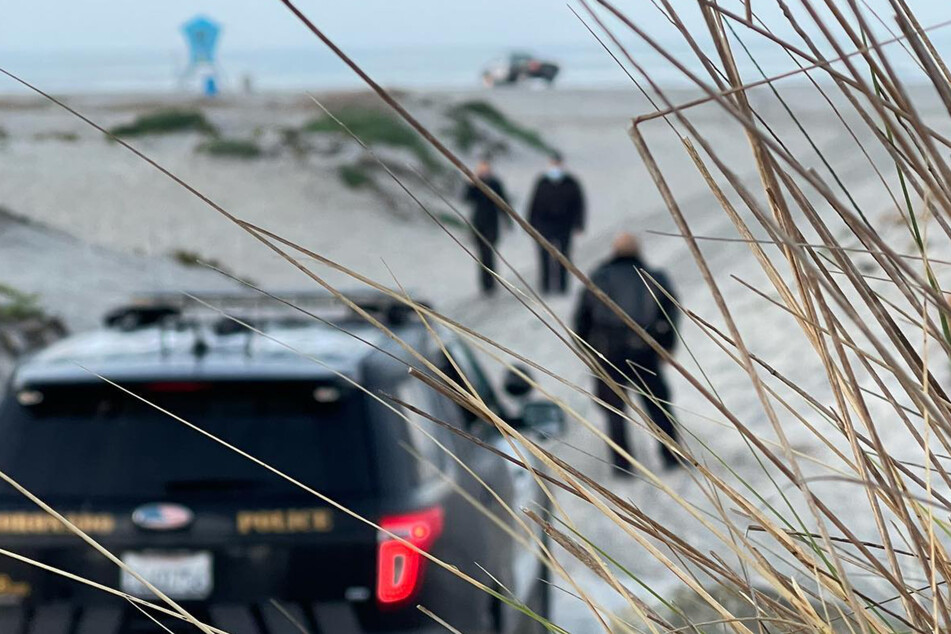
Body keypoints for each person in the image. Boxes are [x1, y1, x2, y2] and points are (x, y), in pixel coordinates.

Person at [573, 232, 681, 473]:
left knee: (614, 411)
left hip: (609, 353)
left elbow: (583, 316)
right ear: (637, 251)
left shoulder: (599, 278)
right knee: (658, 406)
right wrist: (666, 345)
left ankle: (622, 462)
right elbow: (670, 312)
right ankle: (671, 456)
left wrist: (585, 347)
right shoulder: (653, 277)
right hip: (644, 351)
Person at [528, 152, 585, 294]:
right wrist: (531, 223)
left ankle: (563, 287)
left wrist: (579, 223)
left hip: (564, 225)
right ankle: (545, 286)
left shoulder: (571, 182)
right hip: (544, 224)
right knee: (544, 256)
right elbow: (534, 203)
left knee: (564, 256)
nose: (555, 167)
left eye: (557, 164)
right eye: (553, 164)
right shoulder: (542, 182)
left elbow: (579, 204)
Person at [463, 157, 511, 296]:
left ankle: (491, 283)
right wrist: (471, 184)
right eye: (481, 168)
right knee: (481, 256)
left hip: (492, 223)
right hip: (478, 223)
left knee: (489, 253)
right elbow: (466, 198)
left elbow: (503, 202)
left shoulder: (495, 183)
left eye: (486, 168)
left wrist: (507, 220)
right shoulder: (474, 184)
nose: (484, 171)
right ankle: (484, 285)